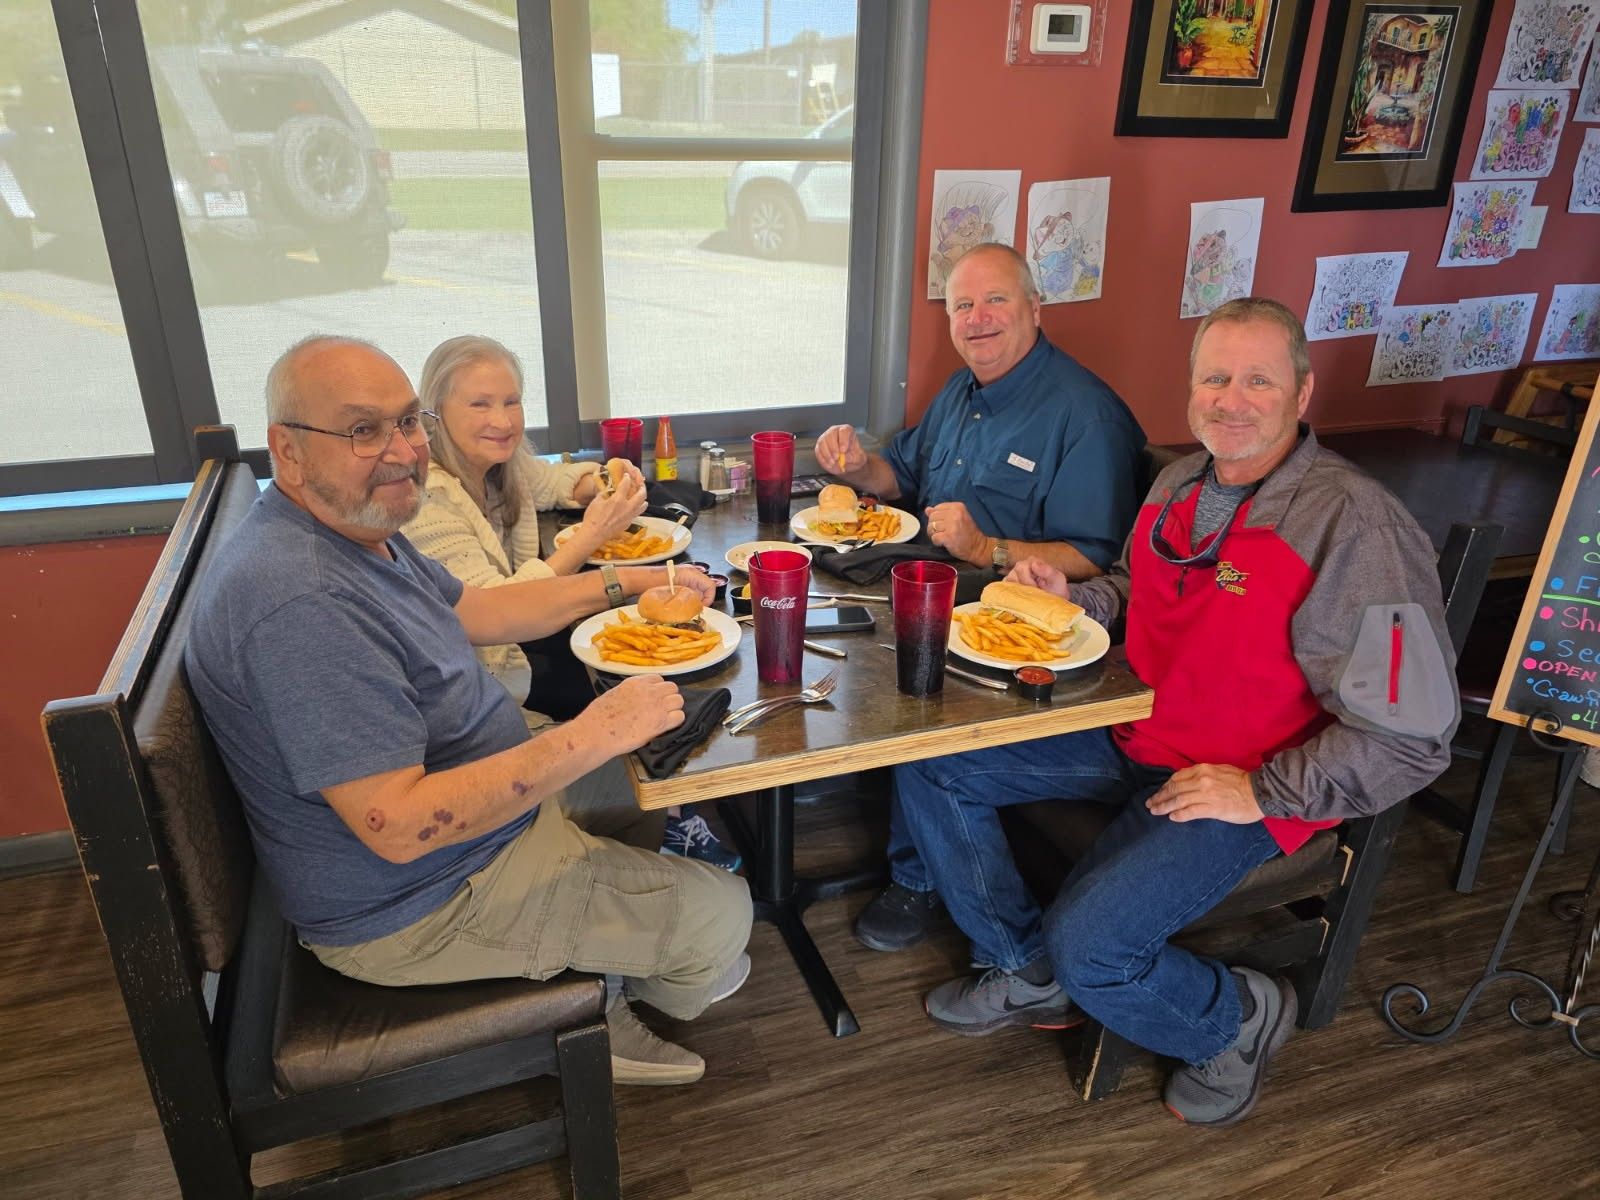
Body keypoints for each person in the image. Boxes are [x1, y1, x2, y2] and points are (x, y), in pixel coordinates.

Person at [893, 298, 1458, 1126]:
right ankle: (1024, 964)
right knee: (929, 759)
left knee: (1098, 952)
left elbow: (1414, 738)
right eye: (1215, 377)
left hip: (1250, 780)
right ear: (1192, 389)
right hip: (1141, 734)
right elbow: (1136, 589)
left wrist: (1262, 791)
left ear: (1302, 394)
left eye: (1257, 379)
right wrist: (1076, 595)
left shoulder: (1354, 524)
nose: (1231, 398)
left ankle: (1233, 1019)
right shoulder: (1177, 481)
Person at [186, 335, 753, 1087]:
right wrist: (592, 731)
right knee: (726, 917)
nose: (402, 450)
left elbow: (484, 610)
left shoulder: (357, 530)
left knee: (635, 783)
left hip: (473, 805)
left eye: (407, 422)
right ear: (287, 451)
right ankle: (588, 1004)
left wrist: (633, 581)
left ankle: (595, 959)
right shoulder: (305, 602)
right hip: (417, 901)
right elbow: (399, 826)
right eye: (363, 430)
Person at [815, 241, 1146, 953]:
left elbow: (1095, 561)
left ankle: (916, 877)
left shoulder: (1086, 417)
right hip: (936, 592)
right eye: (962, 305)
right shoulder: (961, 392)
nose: (978, 318)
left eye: (995, 300)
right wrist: (855, 463)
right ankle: (833, 803)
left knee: (910, 695)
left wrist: (985, 550)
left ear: (1035, 307)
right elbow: (898, 476)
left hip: (1018, 635)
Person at [401, 335, 740, 871]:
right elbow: (496, 611)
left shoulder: (496, 464)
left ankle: (674, 802)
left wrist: (601, 482)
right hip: (490, 674)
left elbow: (552, 479)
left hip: (522, 638)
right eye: (480, 404)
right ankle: (666, 812)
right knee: (636, 677)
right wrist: (593, 537)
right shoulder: (427, 499)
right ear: (435, 413)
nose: (503, 419)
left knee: (665, 664)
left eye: (511, 401)